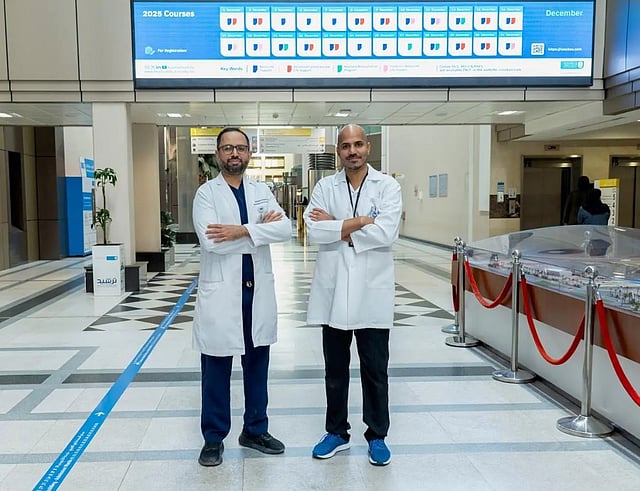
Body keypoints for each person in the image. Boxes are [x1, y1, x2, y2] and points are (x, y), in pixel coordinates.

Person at [303, 124, 402, 466]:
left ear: (368, 147)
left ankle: (377, 435)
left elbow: (386, 233)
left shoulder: (387, 186)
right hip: (333, 292)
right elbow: (314, 230)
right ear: (338, 151)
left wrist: (338, 225)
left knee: (375, 369)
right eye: (346, 146)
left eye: (358, 144)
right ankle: (336, 432)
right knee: (335, 369)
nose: (352, 151)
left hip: (372, 291)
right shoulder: (325, 186)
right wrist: (360, 222)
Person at [192, 127, 291, 467]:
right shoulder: (206, 194)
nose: (234, 153)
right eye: (227, 148)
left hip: (256, 292)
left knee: (257, 365)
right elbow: (211, 242)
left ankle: (255, 430)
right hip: (222, 294)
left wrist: (241, 230)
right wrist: (260, 233)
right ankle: (213, 438)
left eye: (240, 148)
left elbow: (284, 229)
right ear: (218, 153)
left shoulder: (262, 191)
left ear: (249, 153)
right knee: (216, 369)